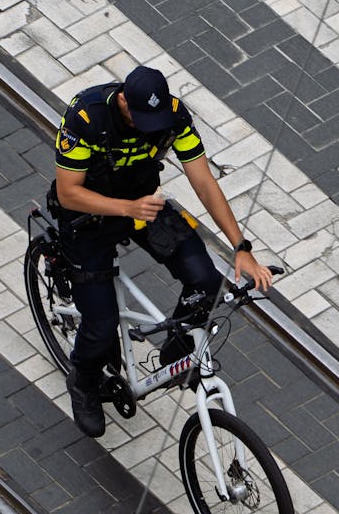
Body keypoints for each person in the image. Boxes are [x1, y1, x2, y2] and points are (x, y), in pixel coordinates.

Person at [52, 65, 272, 437]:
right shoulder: (86, 116)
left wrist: (241, 246)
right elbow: (68, 192)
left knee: (205, 281)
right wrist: (127, 208)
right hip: (87, 219)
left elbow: (202, 180)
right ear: (123, 100)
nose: (147, 127)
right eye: (140, 119)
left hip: (144, 207)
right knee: (101, 325)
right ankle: (84, 380)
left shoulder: (174, 116)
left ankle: (174, 351)